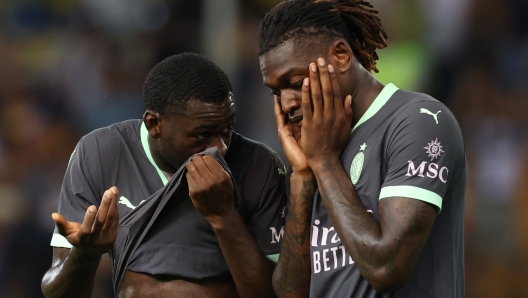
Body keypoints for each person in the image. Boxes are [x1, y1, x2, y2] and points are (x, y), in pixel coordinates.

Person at [257, 0, 466, 297]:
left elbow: (386, 268)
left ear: (341, 55)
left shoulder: (417, 121)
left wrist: (325, 163)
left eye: (295, 82)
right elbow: (291, 292)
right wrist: (303, 175)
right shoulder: (316, 149)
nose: (287, 103)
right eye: (276, 92)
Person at [41, 53, 287, 298]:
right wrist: (85, 255)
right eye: (203, 135)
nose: (220, 148)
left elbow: (278, 293)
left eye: (227, 129)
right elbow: (57, 292)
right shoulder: (100, 152)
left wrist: (223, 216)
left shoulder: (259, 165)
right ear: (154, 124)